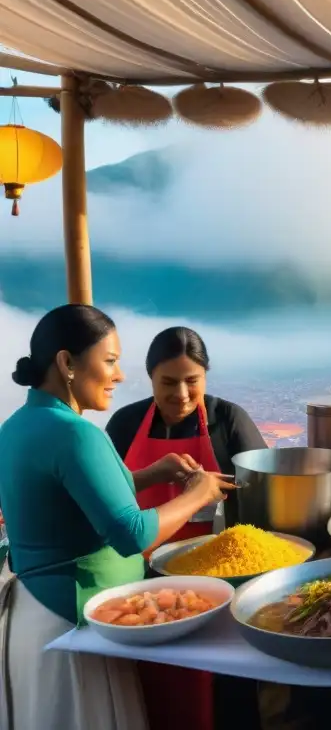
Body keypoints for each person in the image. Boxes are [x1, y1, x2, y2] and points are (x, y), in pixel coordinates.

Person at [0, 304, 231, 730]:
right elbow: (130, 533)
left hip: (33, 615)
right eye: (109, 361)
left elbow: (72, 497)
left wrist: (149, 475)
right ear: (67, 363)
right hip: (71, 621)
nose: (119, 375)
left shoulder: (18, 424)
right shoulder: (75, 432)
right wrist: (196, 494)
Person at [105, 326, 267, 730]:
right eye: (168, 382)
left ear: (205, 377)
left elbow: (263, 491)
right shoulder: (125, 424)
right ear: (150, 379)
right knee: (160, 685)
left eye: (192, 381)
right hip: (145, 582)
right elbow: (108, 497)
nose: (180, 394)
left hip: (223, 576)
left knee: (228, 688)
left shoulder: (228, 420)